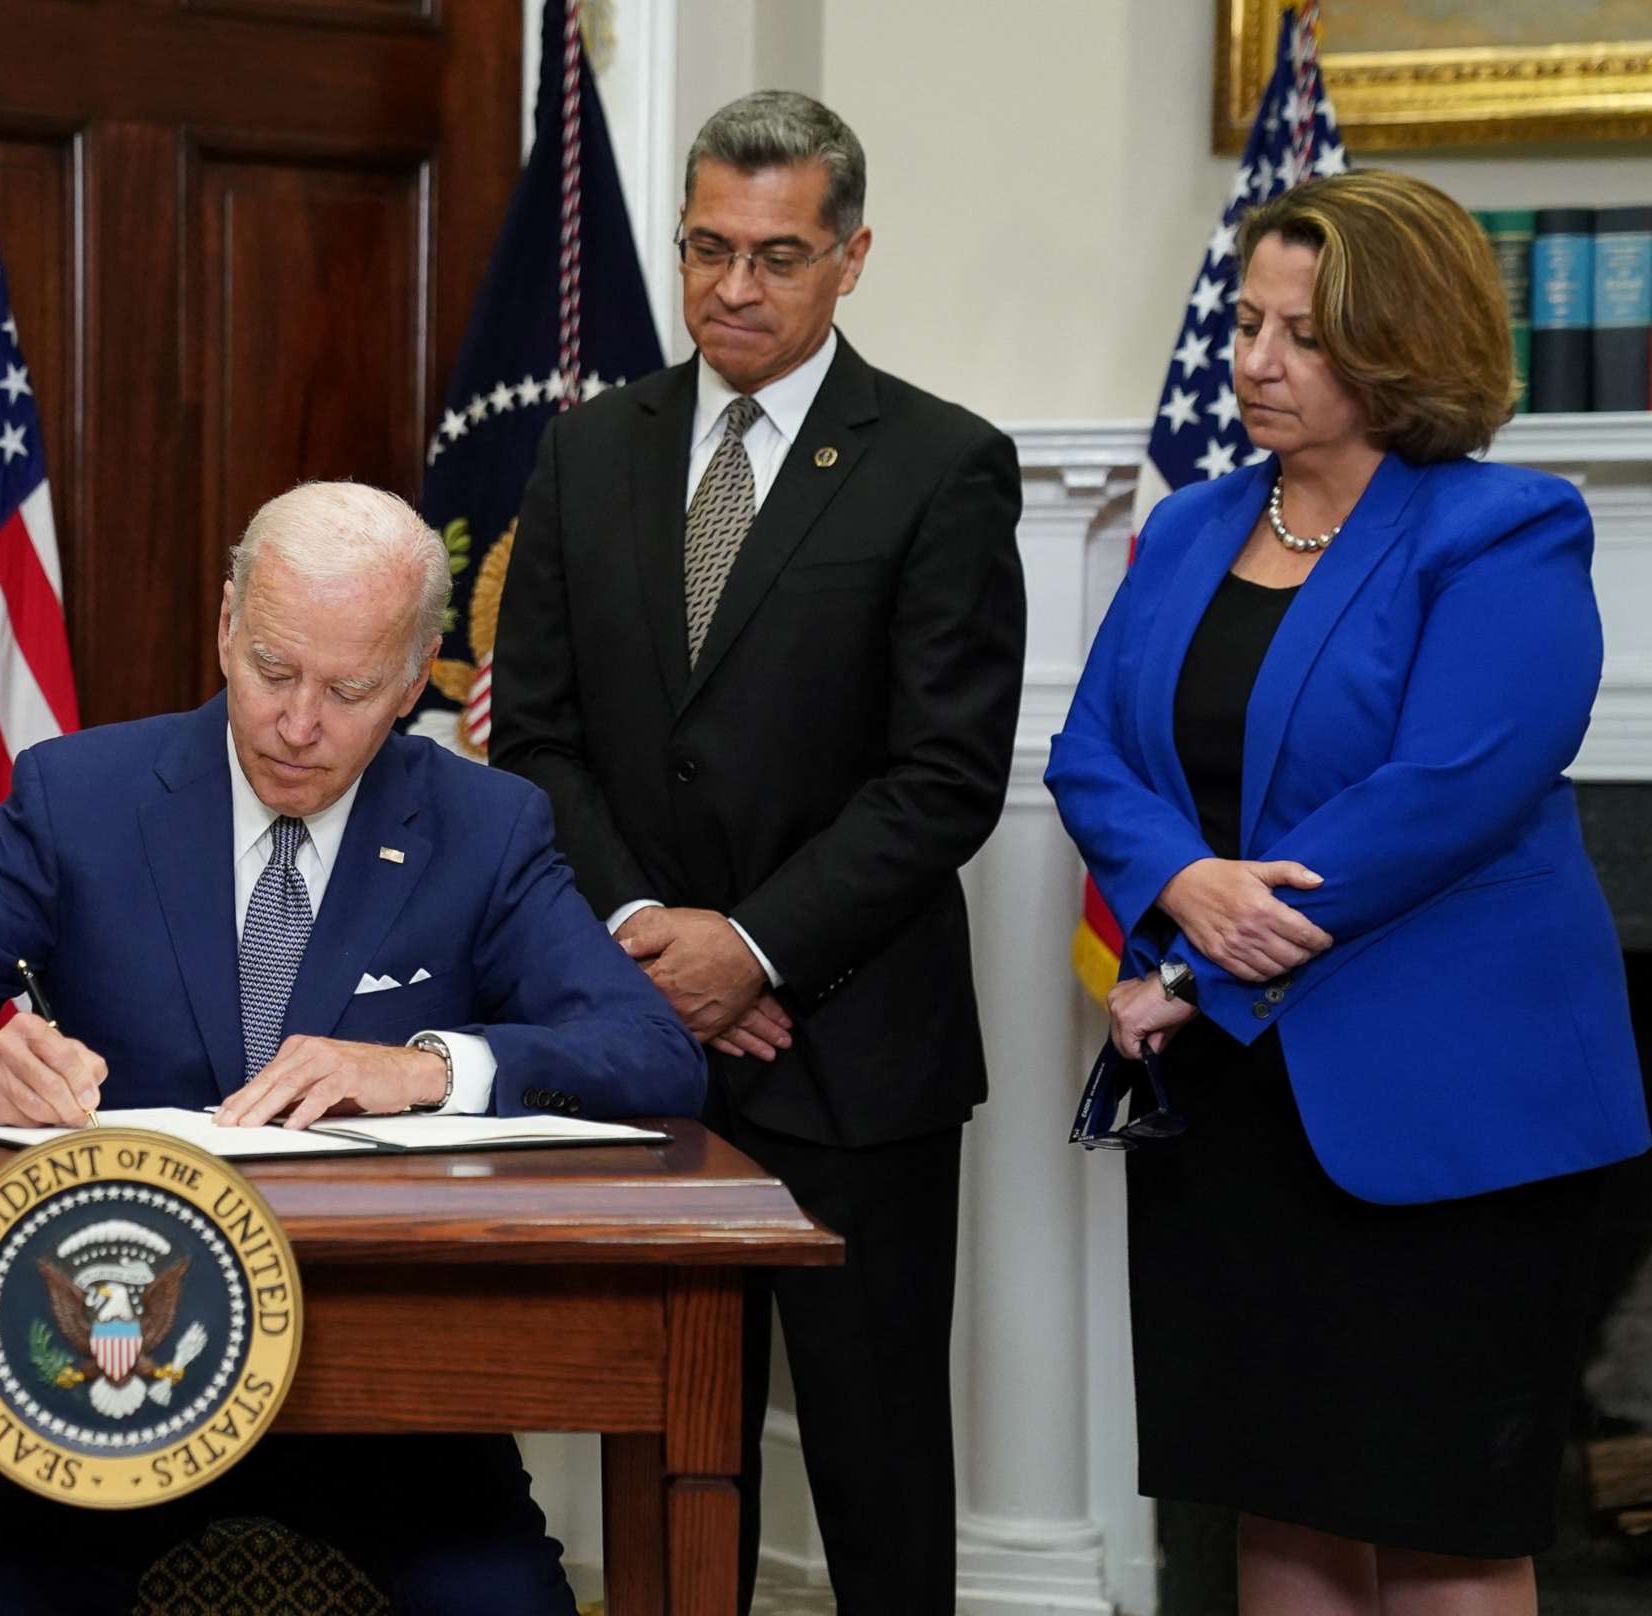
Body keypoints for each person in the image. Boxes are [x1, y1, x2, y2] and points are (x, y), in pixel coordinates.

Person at [0, 479, 703, 1615]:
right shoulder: (82, 797)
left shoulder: (485, 825)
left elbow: (654, 1051)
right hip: (98, 1370)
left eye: (351, 688)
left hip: (386, 1390)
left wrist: (427, 1068)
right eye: (273, 670)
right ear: (226, 625)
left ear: (416, 678)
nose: (299, 722)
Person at [1046, 170, 1650, 1613]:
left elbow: (1448, 788)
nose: (1254, 359)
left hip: (1448, 1116)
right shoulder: (1192, 526)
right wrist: (1182, 882)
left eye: (1301, 334)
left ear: (1401, 340)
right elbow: (1090, 754)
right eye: (1248, 324)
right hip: (1238, 1110)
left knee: (1441, 1526)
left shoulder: (1507, 527)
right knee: (1284, 1512)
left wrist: (1203, 954)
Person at [490, 90, 1026, 1616]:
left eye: (778, 256)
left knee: (874, 1469)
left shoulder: (941, 464)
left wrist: (756, 948)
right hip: (637, 1038)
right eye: (708, 247)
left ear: (852, 257)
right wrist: (659, 939)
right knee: (664, 1446)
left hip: (857, 1056)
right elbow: (532, 738)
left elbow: (944, 778)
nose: (735, 287)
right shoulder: (589, 453)